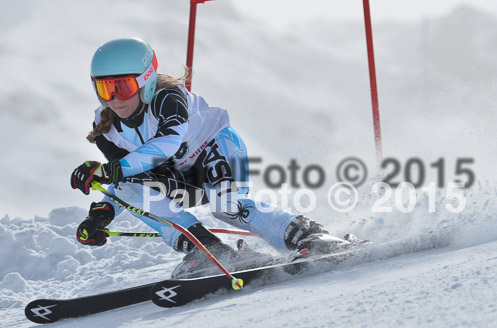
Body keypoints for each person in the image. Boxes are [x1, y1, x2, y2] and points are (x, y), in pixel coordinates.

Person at [70, 38, 347, 273]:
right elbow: (126, 179)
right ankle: (207, 251)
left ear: (147, 81)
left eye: (123, 87)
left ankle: (312, 236)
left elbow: (167, 142)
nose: (115, 99)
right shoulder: (107, 128)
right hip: (180, 178)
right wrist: (101, 214)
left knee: (226, 206)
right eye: (106, 88)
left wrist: (108, 171)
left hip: (216, 152)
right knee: (133, 184)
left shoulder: (168, 98)